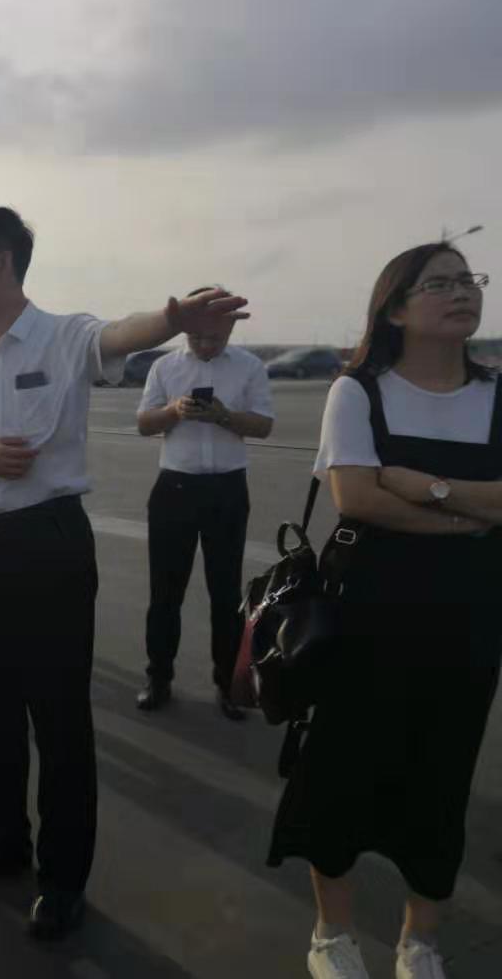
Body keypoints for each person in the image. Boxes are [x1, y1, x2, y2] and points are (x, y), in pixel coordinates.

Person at [0, 206, 247, 940]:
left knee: (60, 717)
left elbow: (122, 334)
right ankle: (4, 839)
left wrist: (173, 317)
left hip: (50, 543)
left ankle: (63, 877)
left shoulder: (64, 335)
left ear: (3, 261)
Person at [267, 240, 500, 979]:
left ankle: (418, 942)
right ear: (395, 309)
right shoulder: (358, 391)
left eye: (469, 280)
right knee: (342, 770)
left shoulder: (496, 394)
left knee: (441, 777)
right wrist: (472, 520)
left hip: (468, 624)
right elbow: (359, 498)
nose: (462, 292)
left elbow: (395, 492)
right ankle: (332, 935)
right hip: (367, 621)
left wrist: (424, 487)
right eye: (440, 283)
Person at [135, 287, 274, 720]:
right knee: (165, 593)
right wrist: (174, 411)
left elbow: (264, 425)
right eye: (197, 336)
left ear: (230, 327)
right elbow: (144, 424)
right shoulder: (164, 366)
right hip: (174, 488)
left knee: (225, 593)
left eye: (214, 337)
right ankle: (158, 677)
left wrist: (222, 416)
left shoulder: (250, 367)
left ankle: (227, 683)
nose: (205, 345)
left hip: (226, 489)